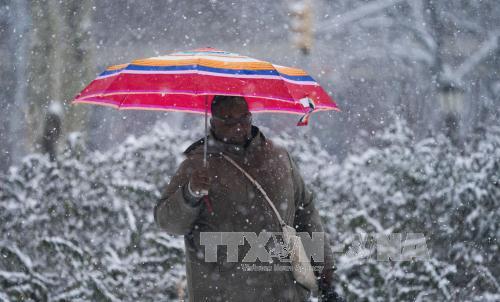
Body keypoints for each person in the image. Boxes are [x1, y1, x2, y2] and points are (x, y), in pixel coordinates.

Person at [154, 95, 344, 302]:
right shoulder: (197, 165)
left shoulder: (278, 157)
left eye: (244, 119)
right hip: (224, 294)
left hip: (285, 293)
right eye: (228, 120)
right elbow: (168, 223)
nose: (238, 127)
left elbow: (305, 213)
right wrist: (190, 194)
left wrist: (324, 270)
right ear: (212, 122)